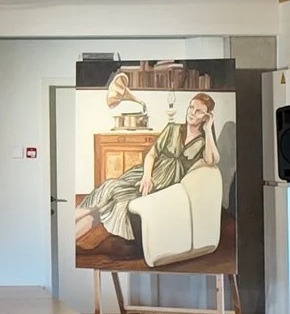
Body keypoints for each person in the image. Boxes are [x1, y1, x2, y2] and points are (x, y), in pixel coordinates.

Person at [74, 92, 221, 252]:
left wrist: (208, 129)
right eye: (191, 107)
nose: (192, 112)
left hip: (164, 185)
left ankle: (67, 236)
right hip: (146, 175)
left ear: (206, 116)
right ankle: (69, 236)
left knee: (113, 198)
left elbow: (213, 160)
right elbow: (152, 154)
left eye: (198, 111)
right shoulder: (173, 129)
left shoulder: (202, 141)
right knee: (109, 189)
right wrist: (146, 176)